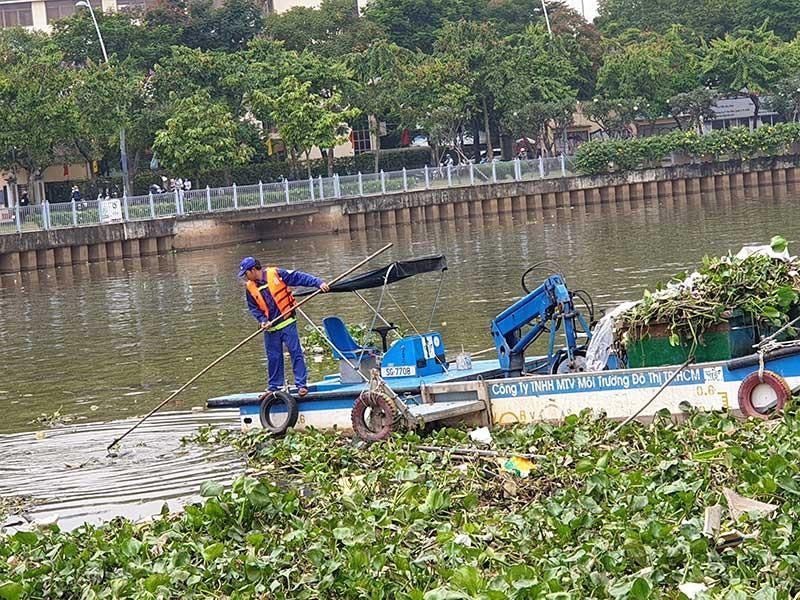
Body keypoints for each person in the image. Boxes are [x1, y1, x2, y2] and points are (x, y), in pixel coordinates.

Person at [239, 257, 330, 396]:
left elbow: (298, 277)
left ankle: (301, 384)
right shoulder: (250, 288)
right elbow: (254, 308)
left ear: (253, 270)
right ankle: (274, 387)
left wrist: (318, 283)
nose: (245, 277)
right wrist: (262, 320)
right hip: (270, 329)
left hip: (287, 322)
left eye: (246, 273)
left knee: (295, 352)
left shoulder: (276, 273)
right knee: (273, 357)